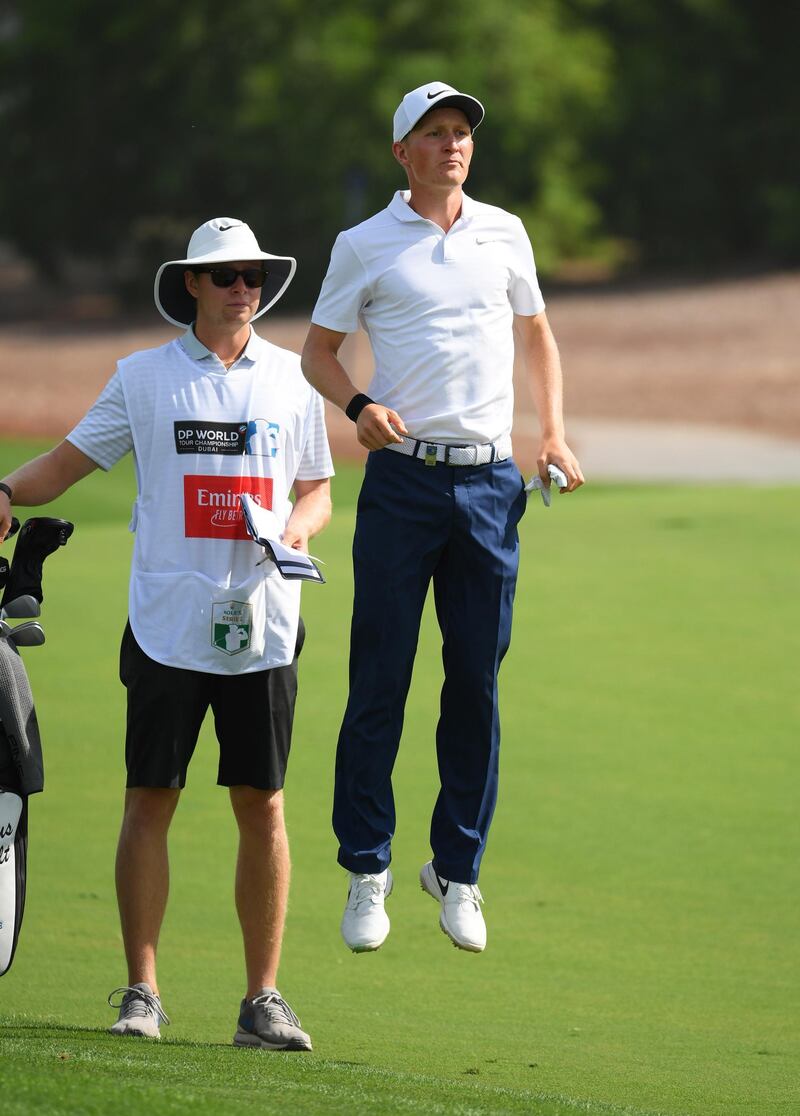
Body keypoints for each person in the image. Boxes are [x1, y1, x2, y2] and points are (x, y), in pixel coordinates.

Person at [0, 218, 333, 1049]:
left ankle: (264, 1000)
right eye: (223, 275)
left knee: (263, 805)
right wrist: (4, 489)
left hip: (262, 623)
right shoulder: (143, 378)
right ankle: (141, 991)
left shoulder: (293, 380)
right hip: (166, 620)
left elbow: (318, 487)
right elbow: (69, 463)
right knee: (152, 799)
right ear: (191, 282)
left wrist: (298, 532)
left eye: (252, 274)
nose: (241, 287)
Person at [302, 82, 584, 956]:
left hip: (491, 485)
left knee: (476, 685)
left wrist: (554, 436)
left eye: (461, 133)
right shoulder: (365, 244)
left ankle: (457, 871)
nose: (453, 145)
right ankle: (366, 867)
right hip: (402, 484)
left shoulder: (505, 232)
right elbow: (318, 353)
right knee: (380, 679)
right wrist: (358, 409)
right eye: (435, 133)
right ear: (403, 153)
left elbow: (537, 334)